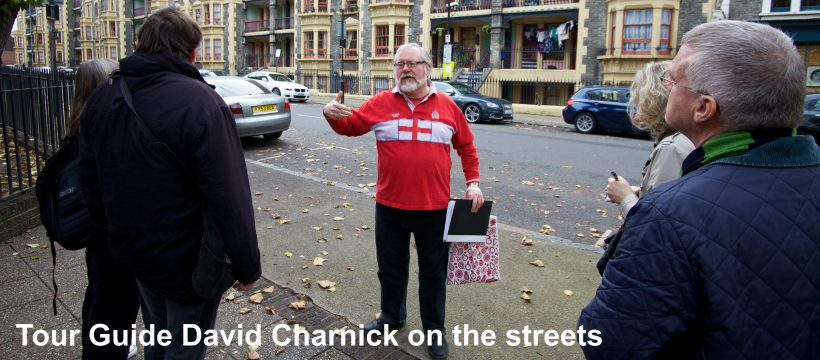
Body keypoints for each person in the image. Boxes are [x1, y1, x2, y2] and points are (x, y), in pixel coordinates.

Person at [579, 20, 820, 358]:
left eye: (673, 79)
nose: (665, 86)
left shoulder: (669, 213)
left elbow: (607, 341)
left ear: (703, 107)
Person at [78, 6, 261, 359]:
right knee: (183, 348)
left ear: (140, 44)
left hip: (134, 252)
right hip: (189, 263)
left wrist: (116, 234)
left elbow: (91, 180)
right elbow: (230, 196)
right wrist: (246, 265)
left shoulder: (103, 98)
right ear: (191, 52)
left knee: (157, 337)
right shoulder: (201, 103)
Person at [322, 42, 484, 359]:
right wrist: (329, 115)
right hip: (390, 206)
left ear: (428, 68)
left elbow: (467, 147)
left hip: (434, 208)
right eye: (399, 65)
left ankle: (435, 331)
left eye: (412, 63)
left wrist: (474, 184)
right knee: (391, 268)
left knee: (433, 274)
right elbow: (351, 126)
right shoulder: (381, 103)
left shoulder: (449, 108)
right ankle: (391, 317)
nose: (405, 69)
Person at [68, 59, 141, 360]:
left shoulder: (77, 122)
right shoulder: (102, 125)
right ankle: (109, 350)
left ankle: (104, 345)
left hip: (95, 231)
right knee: (118, 298)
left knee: (99, 292)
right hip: (111, 229)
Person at [605, 61, 694, 215]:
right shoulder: (689, 137)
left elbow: (654, 224)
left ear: (651, 100)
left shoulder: (672, 148)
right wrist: (643, 193)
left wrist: (625, 197)